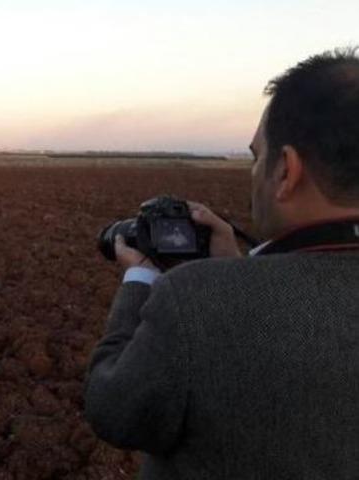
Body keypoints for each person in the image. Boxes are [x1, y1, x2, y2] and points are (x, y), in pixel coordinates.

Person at [84, 47, 359, 478]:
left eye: (256, 157)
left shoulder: (196, 299)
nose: (254, 174)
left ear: (286, 171)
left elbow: (114, 409)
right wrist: (243, 267)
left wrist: (139, 278)